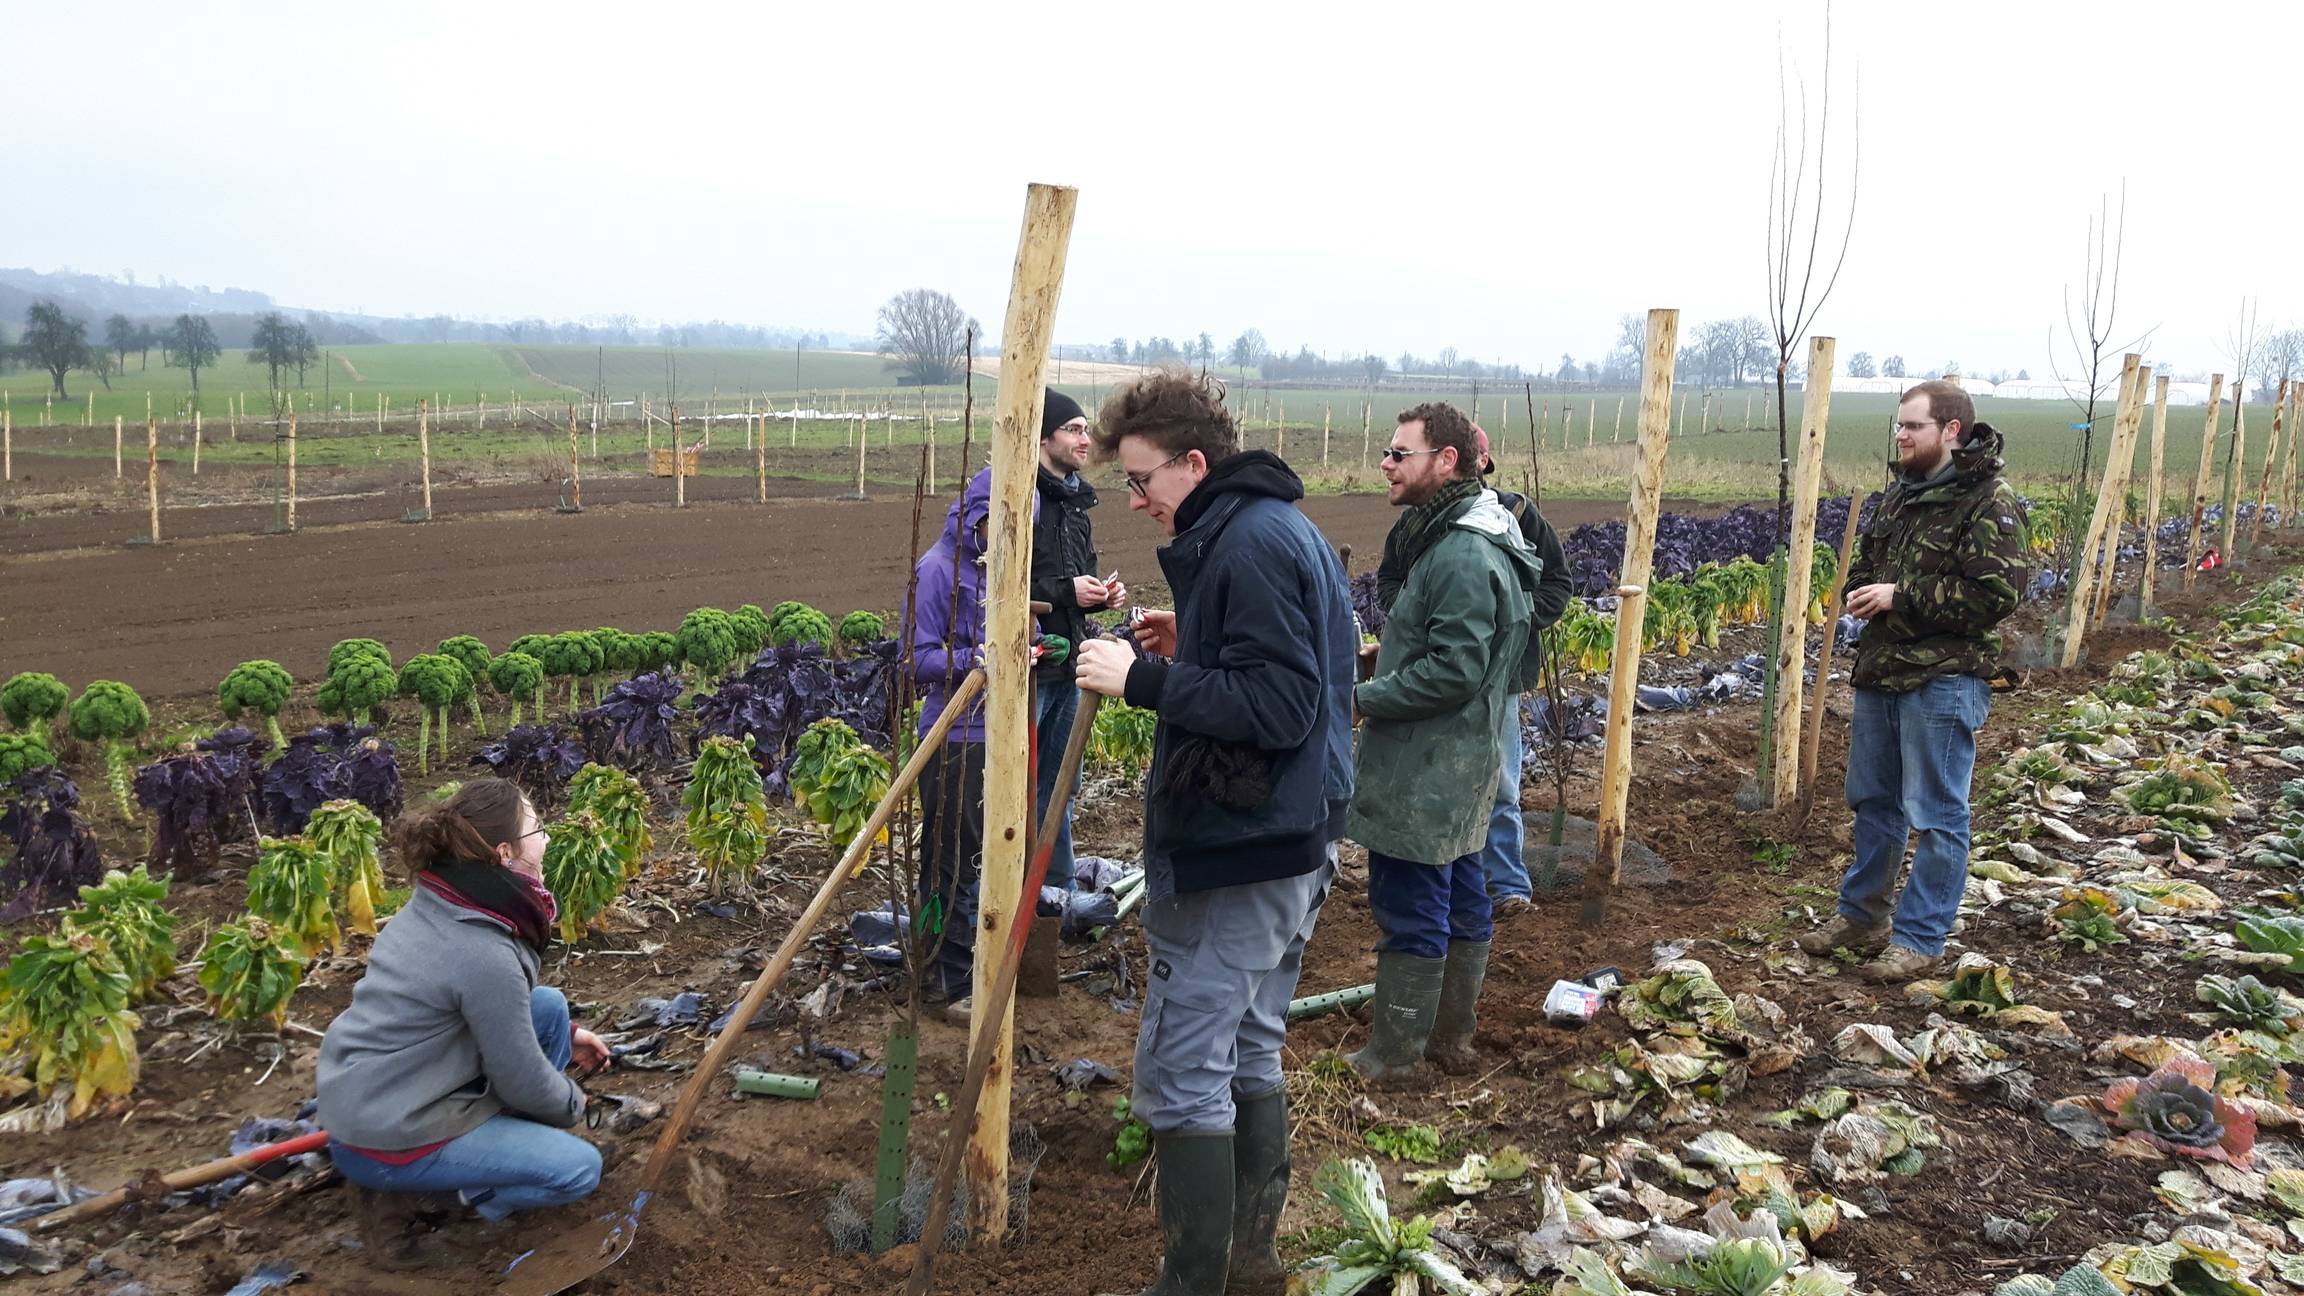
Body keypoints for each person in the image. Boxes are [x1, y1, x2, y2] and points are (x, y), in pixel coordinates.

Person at [1072, 370, 1354, 1296]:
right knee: (1250, 1045)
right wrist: (1191, 637)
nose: (1136, 500)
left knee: (1187, 1065)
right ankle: (1250, 1264)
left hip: (1245, 851)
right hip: (1289, 834)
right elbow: (1291, 666)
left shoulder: (1252, 544)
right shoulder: (1270, 526)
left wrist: (1145, 681)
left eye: (1142, 479)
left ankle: (1194, 1283)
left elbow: (1279, 704)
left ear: (1194, 463)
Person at [317, 778, 611, 1263]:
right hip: (387, 1133)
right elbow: (520, 1078)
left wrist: (569, 1035)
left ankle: (481, 1154)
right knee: (577, 1169)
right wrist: (574, 1104)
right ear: (504, 853)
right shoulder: (483, 953)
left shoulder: (442, 900)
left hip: (374, 1089)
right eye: (537, 828)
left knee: (548, 1007)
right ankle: (437, 1198)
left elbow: (477, 1009)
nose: (547, 838)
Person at [1795, 380, 2027, 982]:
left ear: (1951, 431)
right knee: (1874, 801)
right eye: (1898, 425)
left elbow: (1997, 594)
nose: (1900, 435)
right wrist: (1863, 592)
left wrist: (1902, 596)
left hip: (1945, 677)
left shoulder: (1989, 500)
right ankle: (1861, 916)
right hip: (1883, 670)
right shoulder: (1902, 494)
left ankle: (1920, 938)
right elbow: (1868, 566)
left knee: (1937, 812)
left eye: (1912, 426)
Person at [1348, 402, 1541, 1085]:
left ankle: (1396, 1055)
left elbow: (1456, 670)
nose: (1386, 464)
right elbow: (1468, 656)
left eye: (1400, 453)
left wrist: (1363, 699)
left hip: (1426, 767)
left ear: (1447, 460)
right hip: (1461, 758)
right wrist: (1390, 660)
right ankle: (1449, 1041)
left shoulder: (1459, 551)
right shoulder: (1475, 533)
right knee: (1462, 893)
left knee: (1413, 907)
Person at [1373, 424, 1570, 913]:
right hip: (1430, 669)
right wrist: (1416, 620)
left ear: (1477, 463)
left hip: (1497, 677)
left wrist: (1506, 621)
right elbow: (1391, 579)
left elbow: (1557, 585)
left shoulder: (1512, 517)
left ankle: (1507, 888)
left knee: (1497, 782)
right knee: (1433, 783)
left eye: (1483, 460)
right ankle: (1456, 890)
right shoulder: (1417, 525)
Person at [904, 465, 998, 1022]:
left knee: (986, 857)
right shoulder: (936, 570)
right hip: (953, 737)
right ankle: (946, 980)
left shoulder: (1001, 569)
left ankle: (976, 967)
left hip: (1000, 735)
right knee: (950, 864)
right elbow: (915, 660)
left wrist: (1039, 643)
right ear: (978, 517)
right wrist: (972, 659)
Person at [1032, 388, 1127, 891]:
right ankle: (1015, 888)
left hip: (1070, 667)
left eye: (1086, 429)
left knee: (1061, 786)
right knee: (1020, 788)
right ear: (1043, 437)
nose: (1085, 439)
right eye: (1073, 429)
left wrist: (1100, 596)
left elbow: (1078, 577)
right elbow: (1003, 585)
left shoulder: (1075, 504)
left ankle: (1058, 891)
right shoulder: (1023, 501)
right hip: (1031, 670)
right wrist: (1067, 591)